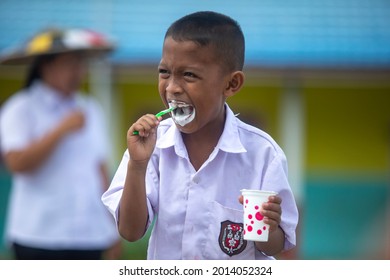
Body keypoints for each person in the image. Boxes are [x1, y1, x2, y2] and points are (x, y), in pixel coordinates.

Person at [102, 11, 299, 260]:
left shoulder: (263, 154)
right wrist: (138, 165)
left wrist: (269, 229)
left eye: (189, 75)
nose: (172, 87)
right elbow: (130, 232)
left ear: (231, 84)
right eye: (164, 72)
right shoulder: (153, 146)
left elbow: (276, 245)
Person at [0, 28, 121, 260]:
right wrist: (61, 130)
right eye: (70, 63)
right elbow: (16, 163)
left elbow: (100, 169)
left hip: (90, 235)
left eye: (81, 63)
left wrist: (112, 228)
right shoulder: (20, 108)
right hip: (38, 234)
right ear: (46, 67)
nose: (78, 71)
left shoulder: (90, 108)